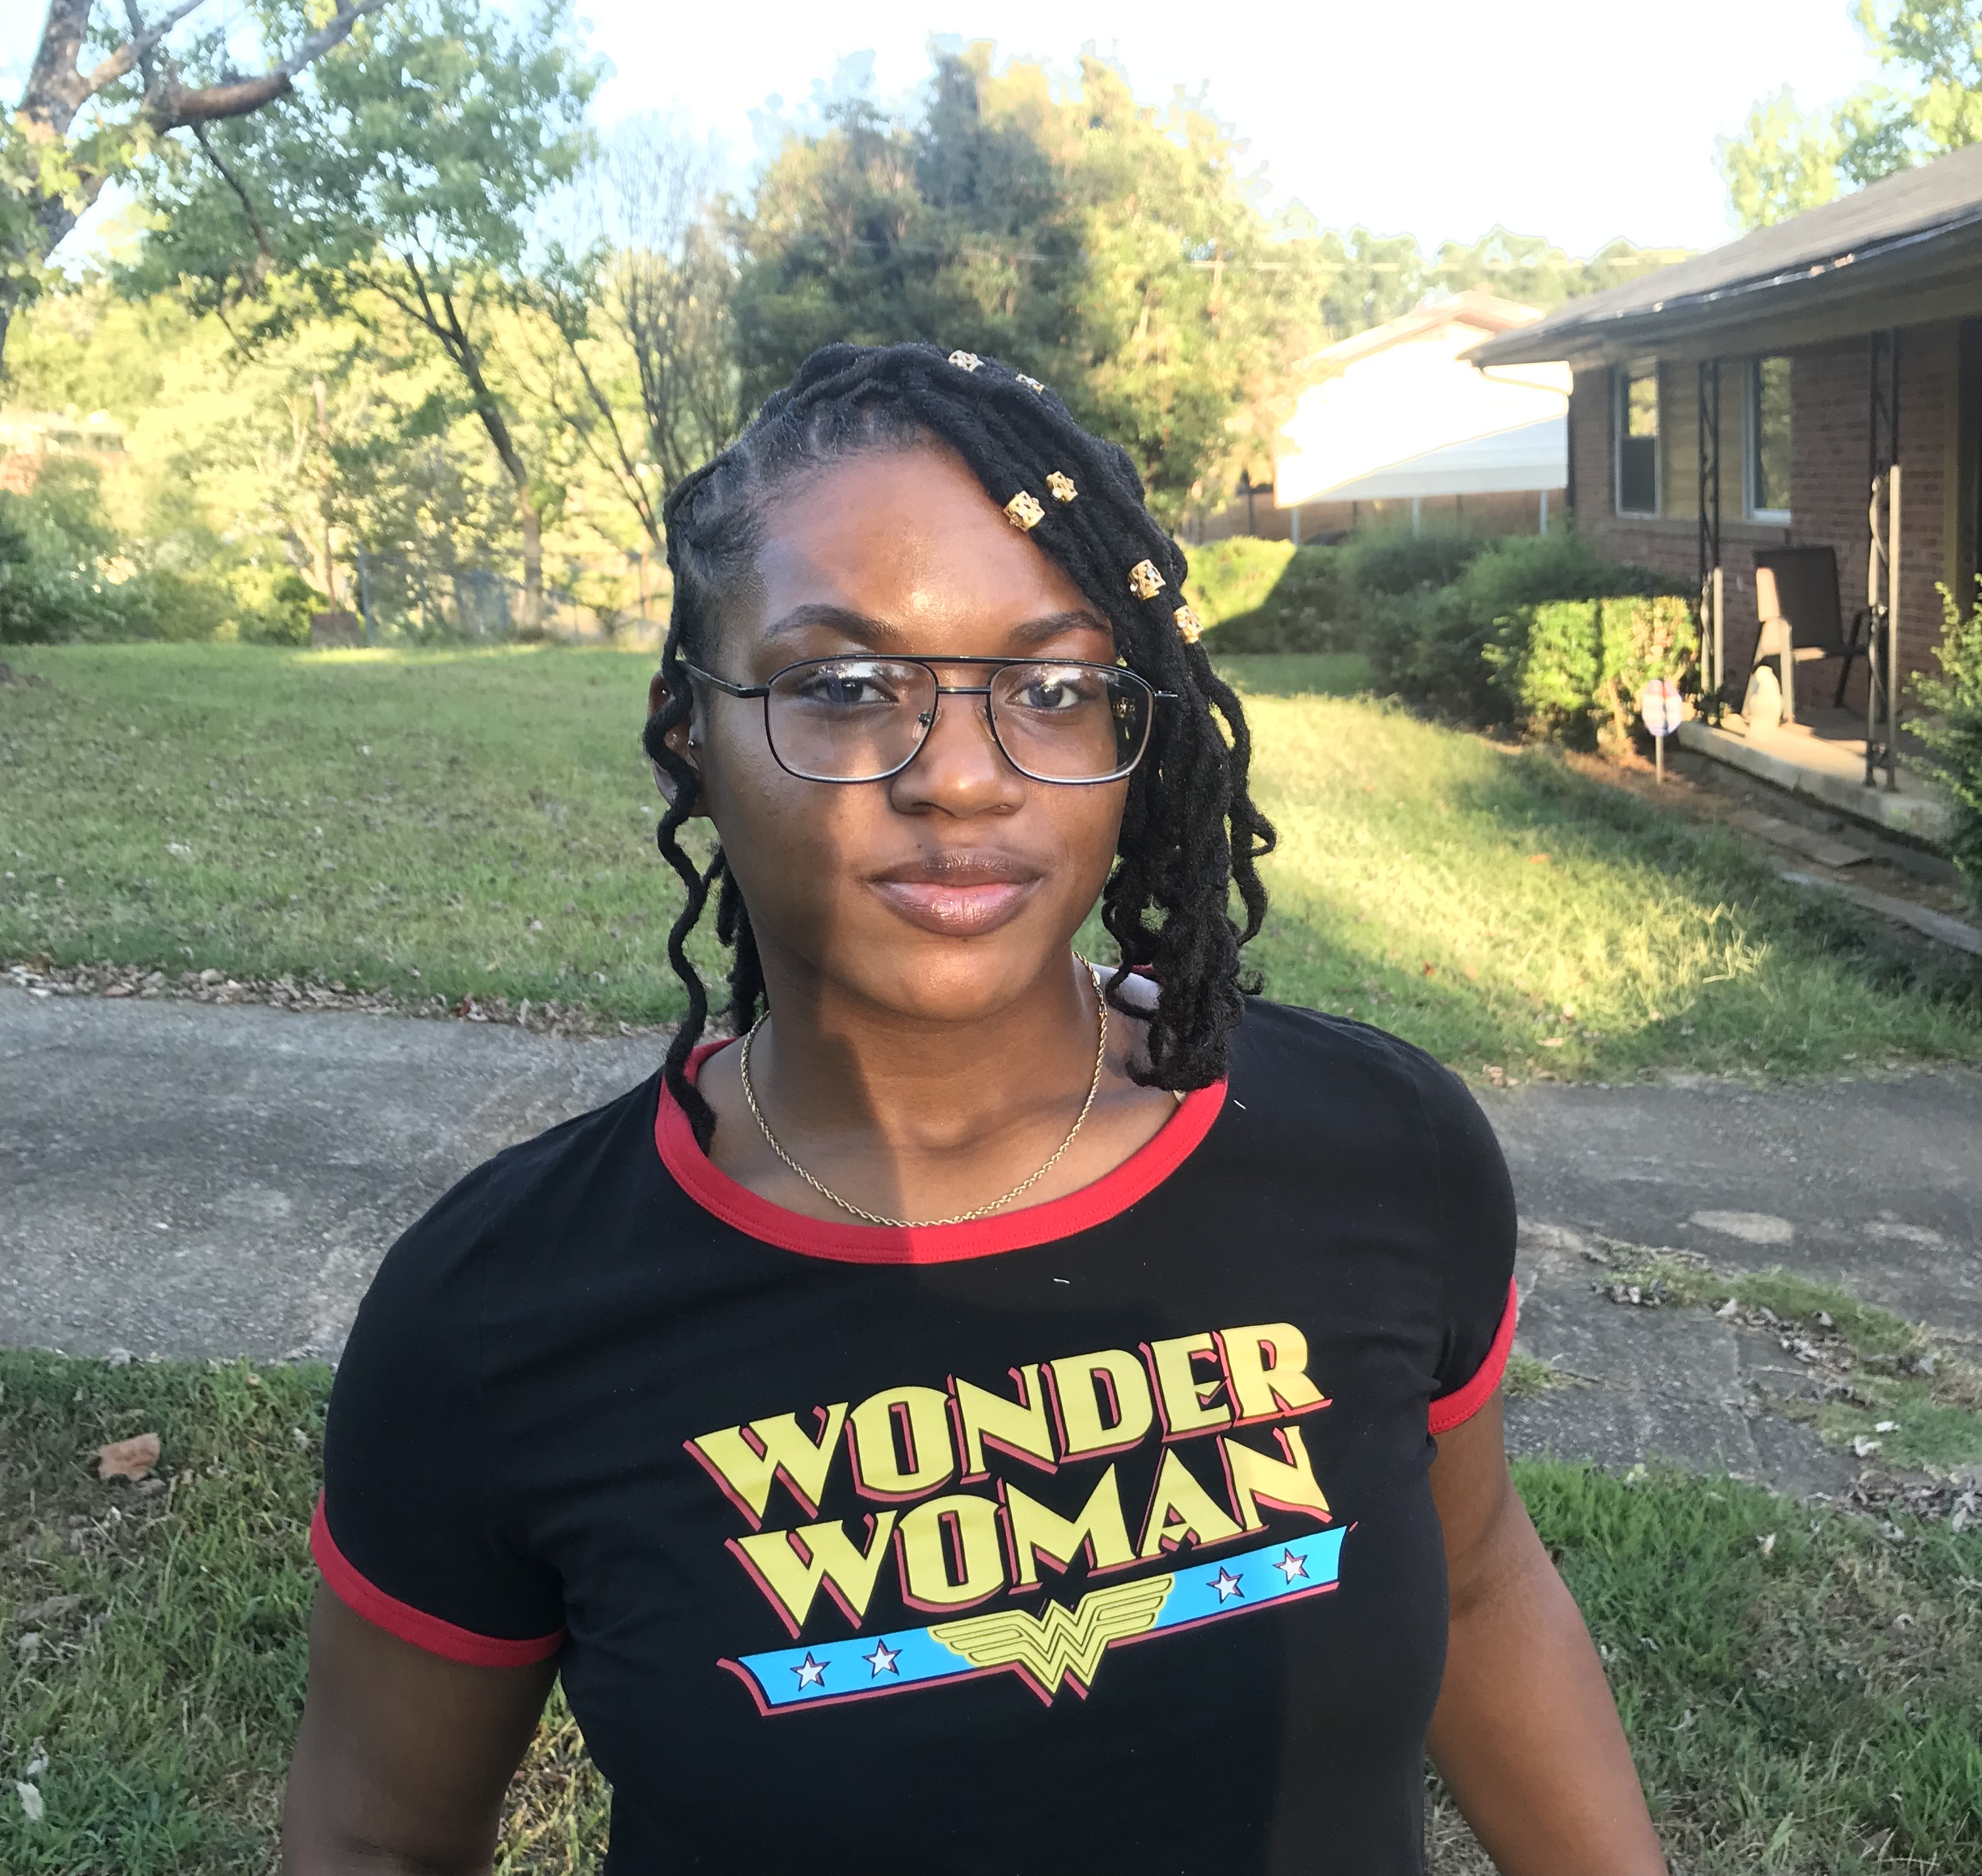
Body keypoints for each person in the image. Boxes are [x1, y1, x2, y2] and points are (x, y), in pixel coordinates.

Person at [282, 343, 1666, 1876]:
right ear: (690, 733)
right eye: (844, 687)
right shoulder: (500, 1312)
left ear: (1133, 736)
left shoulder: (1376, 1150)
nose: (960, 779)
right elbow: (377, 1834)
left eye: (1053, 689)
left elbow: (1478, 1586)